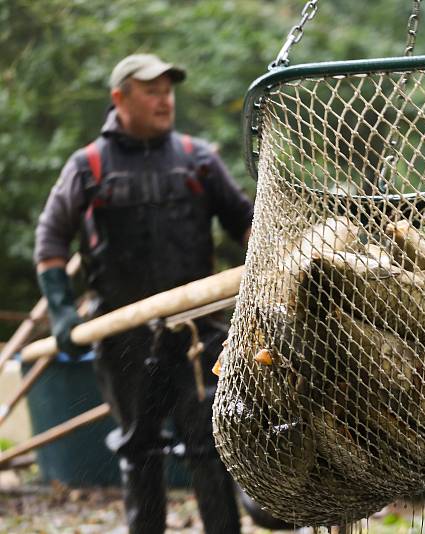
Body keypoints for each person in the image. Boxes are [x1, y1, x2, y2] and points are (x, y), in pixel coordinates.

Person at [34, 53, 253, 534]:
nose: (163, 99)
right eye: (151, 90)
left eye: (168, 90)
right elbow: (50, 241)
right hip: (124, 336)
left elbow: (248, 225)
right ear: (120, 98)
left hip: (198, 334)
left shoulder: (198, 157)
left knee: (209, 443)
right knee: (139, 448)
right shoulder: (88, 165)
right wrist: (63, 312)